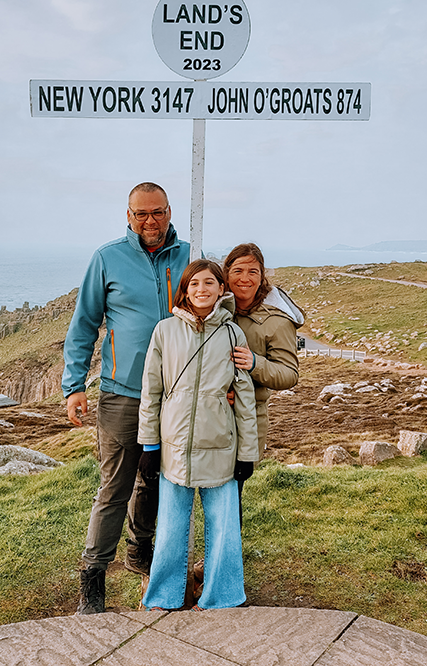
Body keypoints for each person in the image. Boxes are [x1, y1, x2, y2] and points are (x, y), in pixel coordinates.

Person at [62, 182, 191, 615]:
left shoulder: (189, 255)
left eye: (157, 213)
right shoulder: (107, 258)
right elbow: (84, 324)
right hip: (122, 394)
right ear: (128, 216)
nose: (150, 221)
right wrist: (74, 385)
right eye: (141, 214)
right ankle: (93, 580)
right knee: (115, 486)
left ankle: (141, 550)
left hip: (176, 394)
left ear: (170, 212)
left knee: (158, 478)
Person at [137, 260, 258, 611]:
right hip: (173, 448)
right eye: (195, 284)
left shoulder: (233, 333)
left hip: (221, 445)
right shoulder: (164, 331)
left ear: (222, 289)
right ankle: (164, 597)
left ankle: (223, 597)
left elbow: (244, 397)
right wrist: (149, 445)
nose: (202, 289)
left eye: (210, 283)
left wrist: (247, 453)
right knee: (172, 528)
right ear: (185, 290)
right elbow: (151, 391)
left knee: (223, 529)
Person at [223, 243, 305, 465]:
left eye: (253, 272)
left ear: (261, 277)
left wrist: (254, 364)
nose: (245, 278)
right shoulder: (213, 310)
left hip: (249, 418)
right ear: (226, 274)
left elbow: (289, 374)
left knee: (237, 488)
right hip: (209, 413)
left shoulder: (277, 321)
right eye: (238, 271)